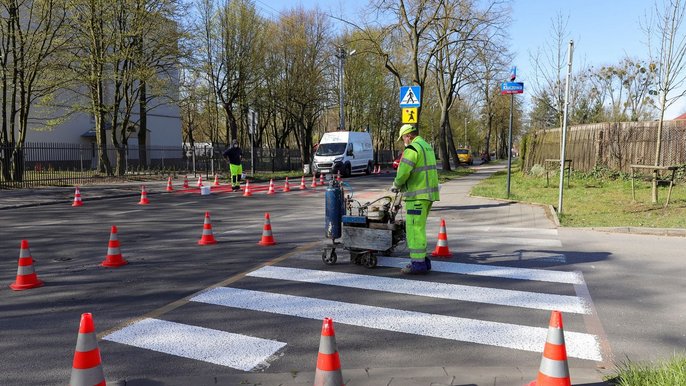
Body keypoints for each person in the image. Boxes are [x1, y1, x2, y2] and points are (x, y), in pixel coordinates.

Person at [391, 124, 440, 274]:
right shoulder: (427, 147)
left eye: (403, 138)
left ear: (408, 136)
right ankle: (424, 261)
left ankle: (418, 264)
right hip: (428, 196)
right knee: (420, 228)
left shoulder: (412, 149)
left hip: (416, 196)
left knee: (414, 229)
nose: (403, 142)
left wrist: (396, 185)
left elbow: (404, 172)